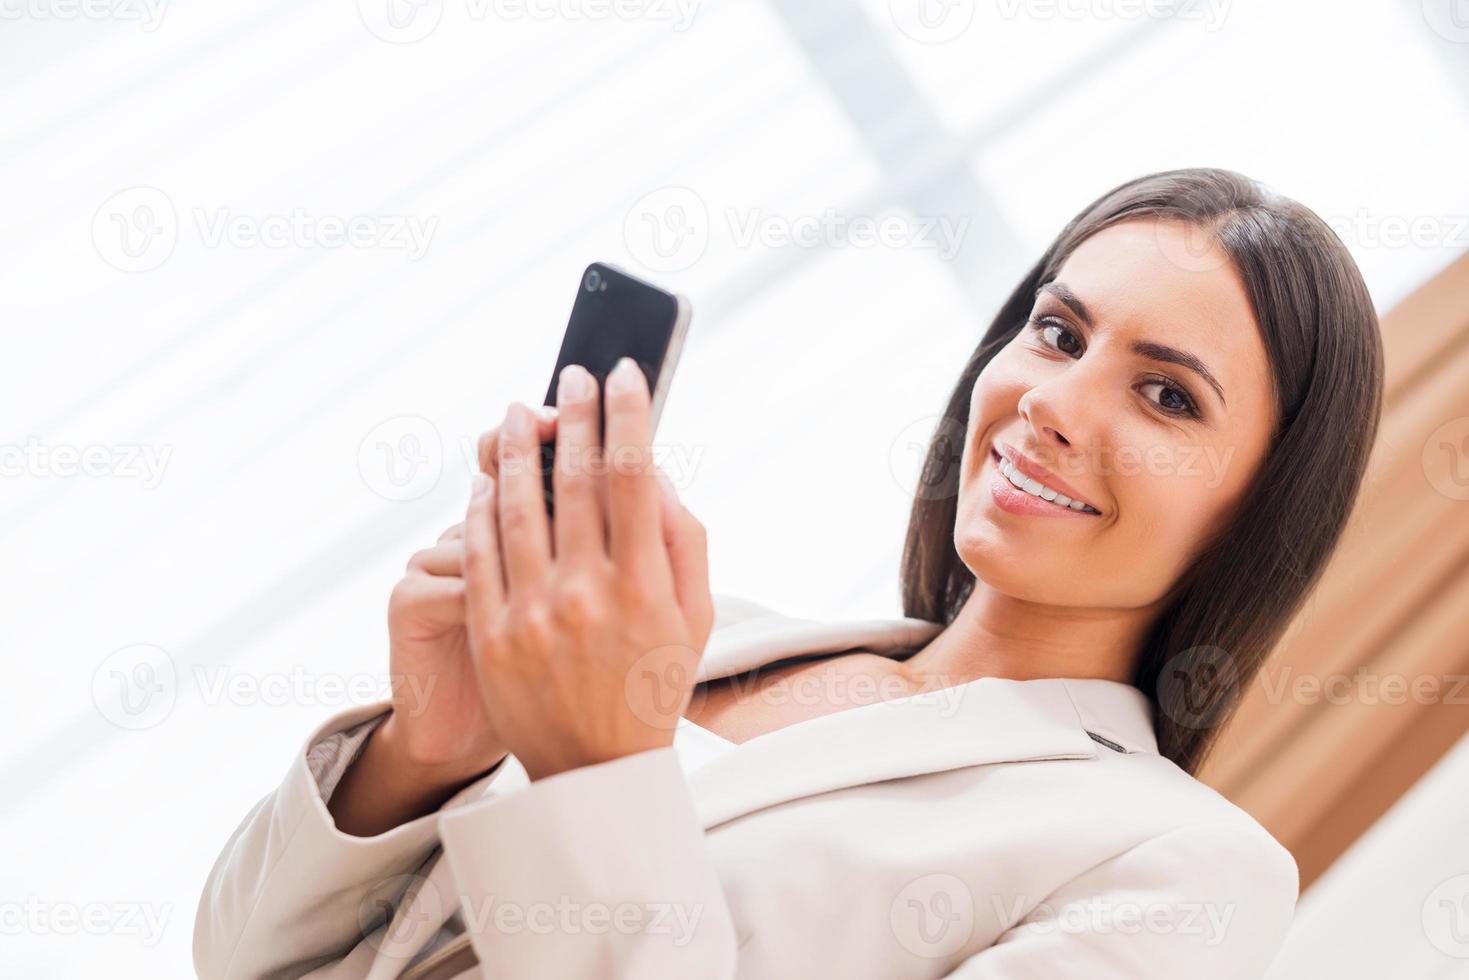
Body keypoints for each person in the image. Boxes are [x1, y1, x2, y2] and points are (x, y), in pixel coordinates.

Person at [193, 168, 1384, 979]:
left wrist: (591, 766)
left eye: (1166, 393)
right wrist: (421, 752)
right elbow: (239, 954)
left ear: (1258, 511)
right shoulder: (695, 640)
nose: (1052, 402)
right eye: (1057, 332)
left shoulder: (1182, 866)